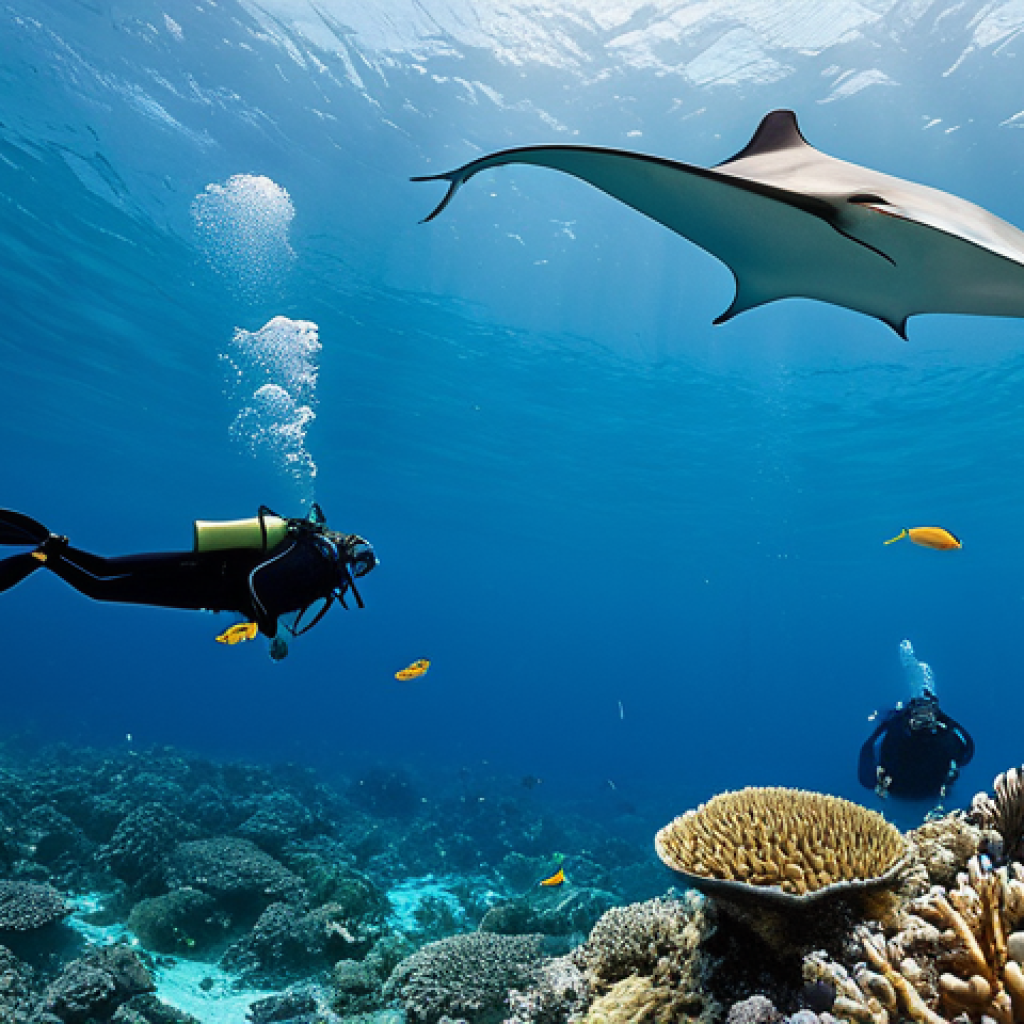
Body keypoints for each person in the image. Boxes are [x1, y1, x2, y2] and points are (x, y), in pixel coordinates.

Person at [0, 504, 376, 660]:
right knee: (100, 584)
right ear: (350, 557)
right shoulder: (318, 563)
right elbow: (258, 583)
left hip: (202, 567)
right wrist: (271, 631)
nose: (354, 577)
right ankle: (46, 557)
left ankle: (49, 550)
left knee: (104, 569)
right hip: (203, 585)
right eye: (358, 569)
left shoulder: (314, 555)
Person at [858, 639, 974, 802]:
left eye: (928, 712)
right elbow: (868, 751)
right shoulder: (897, 725)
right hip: (900, 793)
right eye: (919, 712)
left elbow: (966, 752)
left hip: (928, 792)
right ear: (910, 712)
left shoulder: (945, 731)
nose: (923, 718)